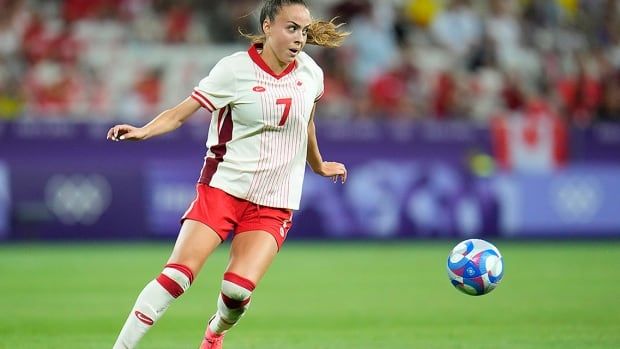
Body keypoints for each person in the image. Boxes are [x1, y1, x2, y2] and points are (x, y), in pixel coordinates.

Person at [106, 1, 349, 348]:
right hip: (223, 187)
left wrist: (318, 164)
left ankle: (214, 332)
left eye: (304, 30)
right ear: (267, 26)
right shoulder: (234, 70)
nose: (300, 38)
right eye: (291, 28)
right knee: (177, 276)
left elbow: (306, 121)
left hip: (274, 200)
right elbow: (179, 113)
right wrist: (144, 130)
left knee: (236, 292)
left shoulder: (311, 73)